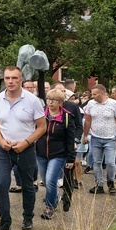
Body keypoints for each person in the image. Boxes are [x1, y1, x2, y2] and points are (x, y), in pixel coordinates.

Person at [0, 66, 46, 230]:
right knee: (1, 183)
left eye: (14, 78)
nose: (10, 81)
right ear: (4, 80)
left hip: (25, 149)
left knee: (28, 185)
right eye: (7, 78)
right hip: (4, 149)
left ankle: (28, 217)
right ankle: (4, 221)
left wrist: (27, 142)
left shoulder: (32, 100)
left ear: (21, 79)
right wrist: (0, 139)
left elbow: (42, 127)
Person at [36, 88, 76, 219]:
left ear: (61, 102)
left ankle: (49, 207)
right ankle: (54, 198)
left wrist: (71, 158)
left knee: (50, 180)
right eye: (49, 99)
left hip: (58, 154)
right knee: (46, 182)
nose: (51, 102)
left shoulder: (66, 117)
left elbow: (70, 139)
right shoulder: (41, 114)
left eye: (54, 100)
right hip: (41, 153)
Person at [82, 85, 116, 194]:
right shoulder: (91, 104)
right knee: (97, 162)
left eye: (94, 94)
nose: (92, 96)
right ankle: (99, 184)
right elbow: (87, 121)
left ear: (102, 93)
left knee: (110, 162)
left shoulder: (113, 104)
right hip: (95, 138)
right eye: (92, 94)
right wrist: (85, 135)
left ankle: (111, 182)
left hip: (110, 139)